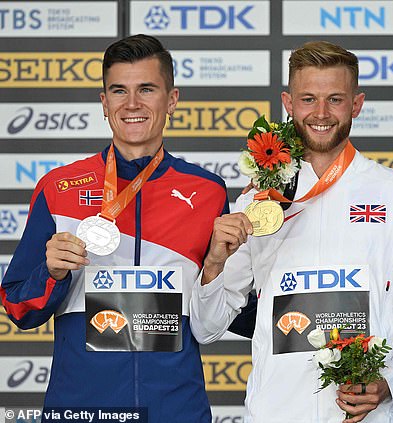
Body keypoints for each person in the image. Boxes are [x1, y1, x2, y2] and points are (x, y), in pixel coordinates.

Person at [190, 41, 393, 423]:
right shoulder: (257, 201)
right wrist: (213, 265)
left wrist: (391, 380)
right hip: (274, 414)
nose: (321, 113)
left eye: (335, 99)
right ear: (288, 103)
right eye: (308, 99)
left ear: (356, 104)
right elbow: (206, 328)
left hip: (367, 416)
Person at [0, 34, 248, 422]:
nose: (132, 104)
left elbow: (210, 322)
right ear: (104, 103)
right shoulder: (58, 187)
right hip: (81, 409)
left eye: (146, 89)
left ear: (172, 100)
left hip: (176, 410)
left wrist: (215, 268)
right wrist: (51, 274)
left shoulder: (208, 192)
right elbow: (17, 307)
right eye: (119, 91)